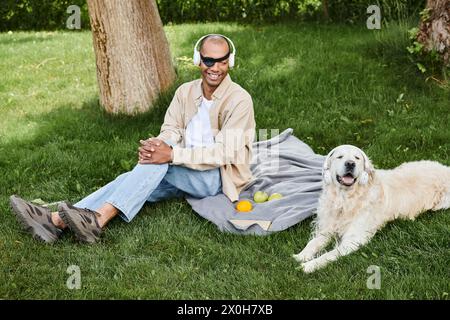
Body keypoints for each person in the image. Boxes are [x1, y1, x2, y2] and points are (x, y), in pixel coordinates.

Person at [10, 34, 256, 243]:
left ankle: (96, 219)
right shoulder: (185, 91)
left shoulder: (239, 100)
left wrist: (170, 155)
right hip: (182, 164)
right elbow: (171, 127)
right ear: (198, 60)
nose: (215, 67)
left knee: (155, 166)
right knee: (133, 179)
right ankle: (57, 222)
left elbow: (224, 153)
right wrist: (160, 145)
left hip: (215, 176)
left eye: (221, 61)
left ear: (230, 62)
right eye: (208, 60)